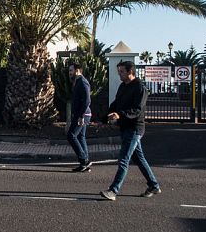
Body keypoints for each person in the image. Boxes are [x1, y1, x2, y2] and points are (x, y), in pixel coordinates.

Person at [100, 60, 160, 201]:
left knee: (123, 159)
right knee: (139, 159)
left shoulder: (140, 88)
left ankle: (113, 190)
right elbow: (116, 104)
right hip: (125, 127)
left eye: (122, 71)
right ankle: (154, 185)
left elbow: (137, 110)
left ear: (130, 72)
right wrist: (105, 118)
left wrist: (120, 115)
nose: (119, 74)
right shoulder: (123, 86)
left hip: (134, 129)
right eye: (119, 71)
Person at [67, 60, 92, 172]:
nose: (69, 72)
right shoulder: (77, 82)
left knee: (71, 135)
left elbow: (87, 100)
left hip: (83, 114)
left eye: (71, 70)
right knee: (80, 137)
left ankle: (84, 160)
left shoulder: (83, 82)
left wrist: (81, 116)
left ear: (77, 70)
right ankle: (85, 163)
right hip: (80, 114)